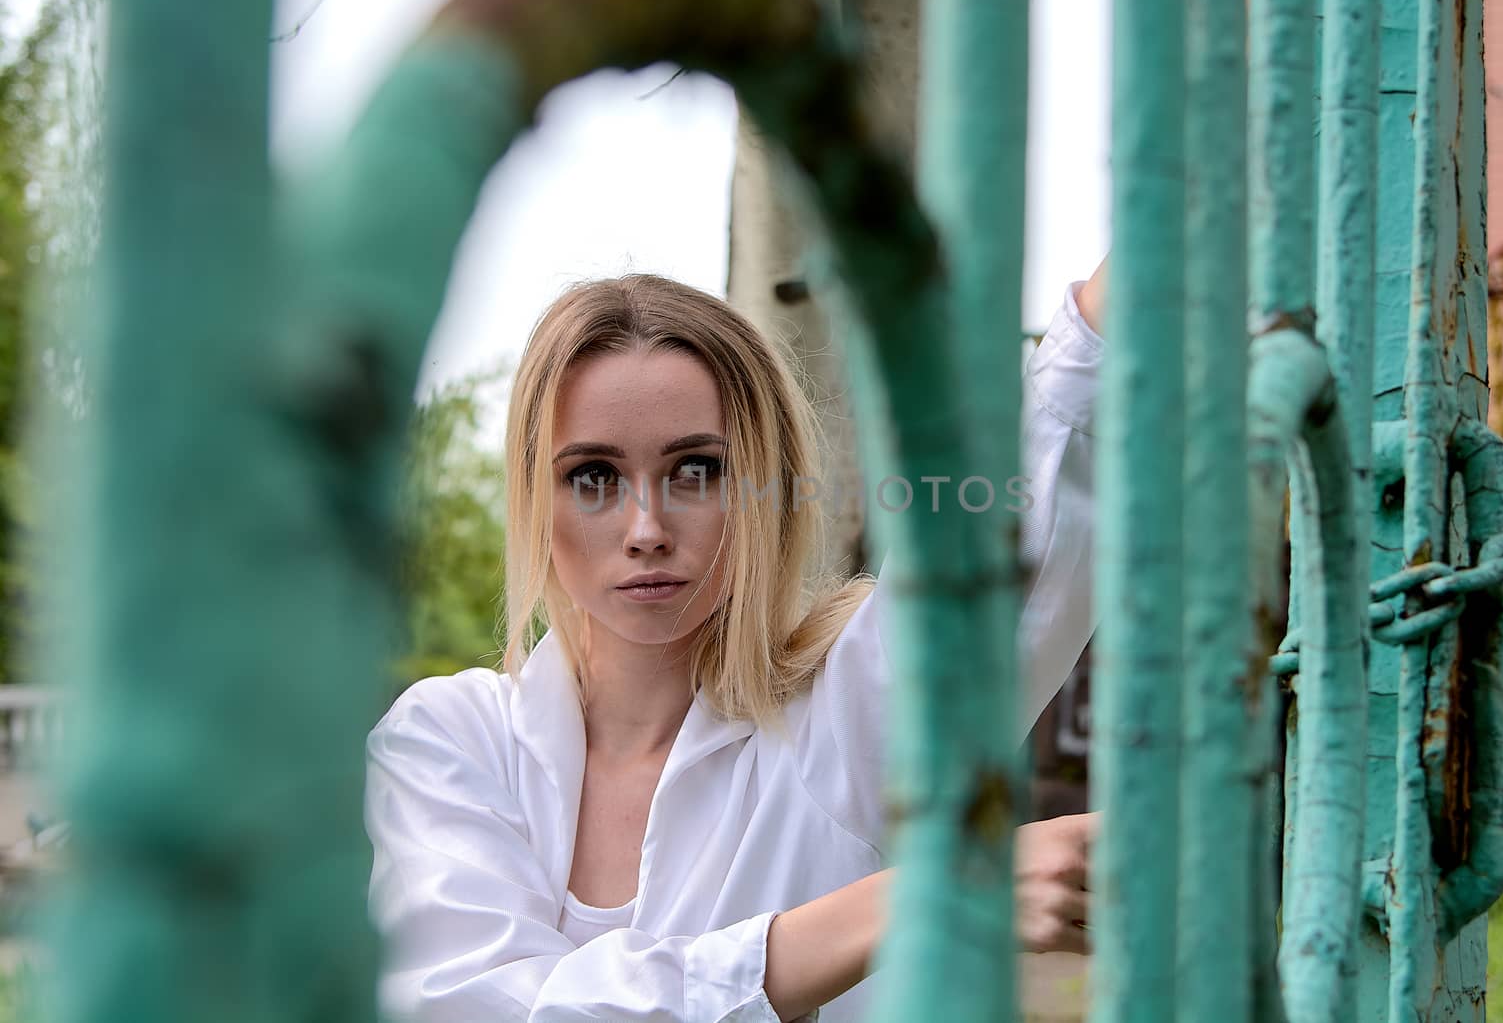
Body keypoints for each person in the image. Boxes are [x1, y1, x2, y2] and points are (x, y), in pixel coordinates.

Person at [364, 266, 1105, 1022]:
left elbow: (1052, 463)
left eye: (696, 470)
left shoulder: (843, 721)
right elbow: (470, 1007)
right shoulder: (449, 741)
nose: (646, 530)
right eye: (593, 476)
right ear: (533, 495)